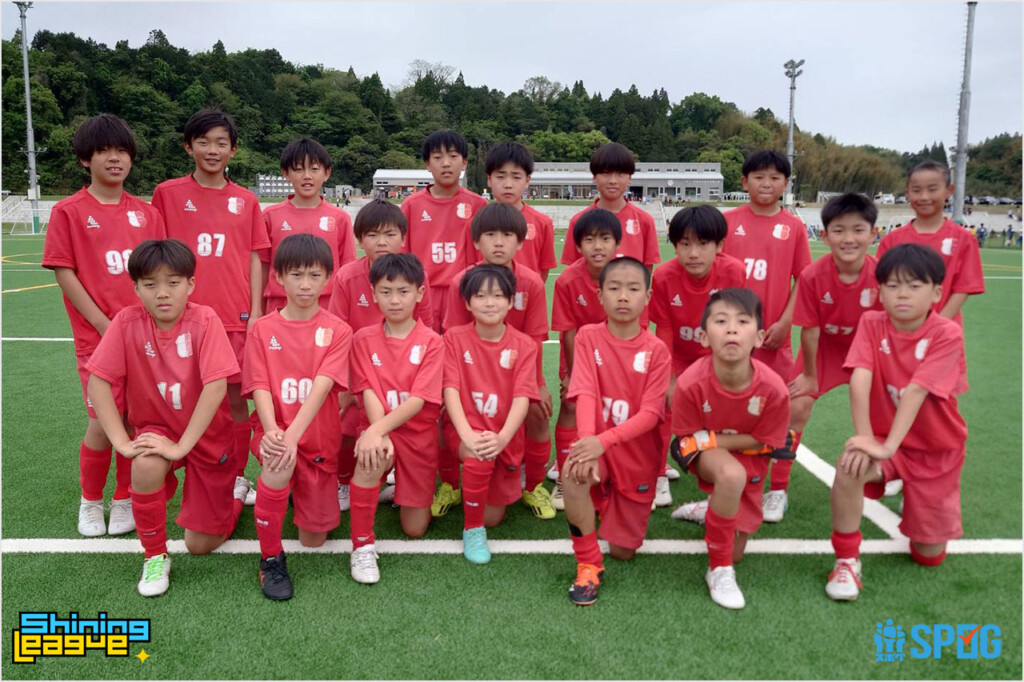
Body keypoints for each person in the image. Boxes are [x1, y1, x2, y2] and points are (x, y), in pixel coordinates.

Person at [86, 239, 247, 596]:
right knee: (143, 464)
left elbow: (216, 387)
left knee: (200, 545)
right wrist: (122, 443)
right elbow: (98, 384)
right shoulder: (127, 322)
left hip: (207, 436)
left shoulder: (205, 320)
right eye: (150, 284)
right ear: (136, 288)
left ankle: (236, 496)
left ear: (191, 284)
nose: (162, 293)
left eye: (173, 283)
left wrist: (181, 447)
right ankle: (155, 556)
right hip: (158, 429)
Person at [42, 113, 166, 538]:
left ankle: (125, 497)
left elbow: (160, 274)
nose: (115, 159)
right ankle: (91, 500)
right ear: (85, 159)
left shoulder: (147, 214)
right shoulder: (68, 211)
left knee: (136, 419)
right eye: (104, 151)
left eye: (122, 151)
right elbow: (64, 271)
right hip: (96, 340)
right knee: (101, 420)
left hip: (145, 337)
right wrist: (102, 322)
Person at [826, 244, 968, 601]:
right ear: (880, 292)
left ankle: (919, 497)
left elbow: (917, 390)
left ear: (936, 293)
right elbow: (860, 377)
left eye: (914, 286)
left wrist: (888, 446)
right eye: (892, 285)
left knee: (928, 556)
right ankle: (846, 560)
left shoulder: (947, 333)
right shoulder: (872, 323)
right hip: (885, 439)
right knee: (849, 466)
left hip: (935, 449)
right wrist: (866, 440)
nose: (902, 294)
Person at [152, 109, 270, 497]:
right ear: (189, 147)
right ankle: (178, 472)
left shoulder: (246, 200)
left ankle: (235, 476)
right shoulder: (167, 194)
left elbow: (255, 257)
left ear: (233, 150)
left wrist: (255, 312)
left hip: (234, 319)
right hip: (181, 319)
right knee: (179, 400)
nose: (212, 150)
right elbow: (156, 254)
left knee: (235, 404)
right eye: (203, 142)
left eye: (221, 143)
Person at [243, 234, 352, 600]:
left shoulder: (339, 330)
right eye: (296, 275)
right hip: (276, 431)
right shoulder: (262, 329)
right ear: (278, 277)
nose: (305, 284)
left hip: (318, 438)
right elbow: (259, 384)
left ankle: (294, 492)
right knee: (279, 460)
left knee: (314, 539)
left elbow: (322, 387)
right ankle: (270, 558)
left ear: (328, 278)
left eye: (314, 275)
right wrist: (273, 431)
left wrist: (293, 436)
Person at [671, 288, 791, 609]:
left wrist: (713, 440)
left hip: (749, 454)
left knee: (738, 549)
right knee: (731, 475)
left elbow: (766, 441)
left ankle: (711, 509)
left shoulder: (774, 389)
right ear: (704, 336)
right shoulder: (690, 383)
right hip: (709, 458)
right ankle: (719, 569)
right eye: (721, 321)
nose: (732, 329)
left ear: (760, 337)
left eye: (743, 321)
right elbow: (687, 441)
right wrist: (709, 445)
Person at [562, 257, 670, 606]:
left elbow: (651, 414)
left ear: (647, 296)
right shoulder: (588, 337)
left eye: (633, 288)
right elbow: (585, 392)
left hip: (637, 457)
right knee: (572, 472)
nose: (623, 296)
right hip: (597, 447)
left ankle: (610, 498)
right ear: (600, 295)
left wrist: (602, 441)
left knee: (624, 550)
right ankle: (588, 563)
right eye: (614, 288)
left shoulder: (657, 350)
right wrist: (586, 444)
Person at [778, 194, 884, 519]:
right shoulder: (812, 275)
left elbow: (890, 327)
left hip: (869, 352)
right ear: (824, 236)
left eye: (858, 230)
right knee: (796, 405)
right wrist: (810, 376)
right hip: (825, 350)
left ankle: (903, 476)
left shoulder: (883, 274)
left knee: (892, 409)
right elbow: (809, 331)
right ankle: (778, 488)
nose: (848, 238)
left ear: (873, 234)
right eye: (839, 230)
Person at [443, 204, 552, 520]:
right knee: (441, 411)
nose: (499, 242)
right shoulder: (462, 282)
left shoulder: (531, 282)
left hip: (516, 370)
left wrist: (539, 384)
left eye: (507, 235)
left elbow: (534, 338)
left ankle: (533, 484)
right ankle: (449, 482)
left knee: (538, 412)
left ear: (520, 242)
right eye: (490, 234)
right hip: (471, 372)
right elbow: (453, 339)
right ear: (477, 241)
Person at [722, 150, 811, 521]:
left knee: (783, 411)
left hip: (774, 337)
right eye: (758, 176)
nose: (766, 183)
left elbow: (802, 280)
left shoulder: (794, 227)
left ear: (786, 184)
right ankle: (731, 480)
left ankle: (779, 488)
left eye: (775, 177)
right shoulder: (727, 222)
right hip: (731, 338)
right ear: (744, 182)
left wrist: (786, 322)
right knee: (730, 410)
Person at [328, 200, 433, 511]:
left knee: (418, 421)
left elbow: (426, 332)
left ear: (403, 238)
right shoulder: (347, 277)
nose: (381, 242)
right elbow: (338, 335)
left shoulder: (415, 275)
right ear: (360, 240)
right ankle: (343, 481)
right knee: (345, 423)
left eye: (389, 234)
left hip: (404, 376)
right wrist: (347, 386)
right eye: (372, 235)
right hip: (360, 376)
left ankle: (401, 475)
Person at [347, 254, 444, 583]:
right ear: (373, 294)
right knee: (371, 457)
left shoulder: (432, 342)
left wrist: (378, 430)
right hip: (379, 427)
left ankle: (399, 486)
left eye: (403, 291)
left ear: (419, 293)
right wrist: (377, 433)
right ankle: (362, 546)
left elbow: (417, 400)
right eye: (386, 292)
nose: (395, 300)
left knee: (414, 529)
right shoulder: (363, 338)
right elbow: (369, 390)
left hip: (418, 436)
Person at [649, 205, 745, 522]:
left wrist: (724, 371)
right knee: (663, 408)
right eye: (685, 244)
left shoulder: (733, 271)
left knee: (722, 415)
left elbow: (734, 325)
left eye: (703, 244)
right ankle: (657, 473)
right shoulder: (663, 275)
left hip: (715, 355)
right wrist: (669, 378)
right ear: (674, 245)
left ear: (719, 245)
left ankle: (719, 484)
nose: (693, 253)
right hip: (677, 354)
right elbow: (664, 329)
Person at [442, 265, 540, 563]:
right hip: (465, 432)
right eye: (481, 296)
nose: (489, 303)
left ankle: (483, 491)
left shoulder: (524, 345)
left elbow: (523, 398)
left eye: (498, 296)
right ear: (467, 302)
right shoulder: (454, 338)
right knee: (478, 455)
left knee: (494, 516)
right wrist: (467, 435)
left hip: (503, 435)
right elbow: (450, 390)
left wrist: (502, 438)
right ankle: (473, 530)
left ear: (510, 302)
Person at [548, 210, 634, 510]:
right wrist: (574, 374)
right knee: (571, 405)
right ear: (578, 245)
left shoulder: (628, 275)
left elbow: (635, 325)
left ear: (617, 243)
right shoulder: (567, 280)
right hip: (580, 356)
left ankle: (620, 478)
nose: (597, 246)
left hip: (618, 356)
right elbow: (568, 331)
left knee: (619, 410)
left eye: (605, 239)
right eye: (589, 240)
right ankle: (564, 477)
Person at [876, 160, 984, 327]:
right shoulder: (892, 240)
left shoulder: (964, 239)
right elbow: (882, 285)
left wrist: (936, 326)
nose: (924, 197)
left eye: (932, 189)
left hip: (943, 330)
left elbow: (963, 288)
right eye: (916, 190)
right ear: (907, 193)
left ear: (949, 191)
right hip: (898, 330)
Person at [400, 130, 488, 331]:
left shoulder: (478, 205)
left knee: (460, 348)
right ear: (427, 164)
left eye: (453, 156)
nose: (446, 163)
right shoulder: (411, 205)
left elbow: (483, 256)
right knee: (422, 347)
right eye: (438, 157)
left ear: (464, 162)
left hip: (463, 291)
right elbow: (402, 255)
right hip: (422, 292)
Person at [260, 137, 356, 314]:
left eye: (314, 169)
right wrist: (257, 312)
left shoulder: (339, 218)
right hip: (279, 307)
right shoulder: (270, 216)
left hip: (327, 307)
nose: (307, 176)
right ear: (285, 173)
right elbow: (262, 268)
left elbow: (347, 268)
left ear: (327, 173)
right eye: (298, 169)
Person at [559, 143, 660, 268]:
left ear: (629, 178)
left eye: (620, 174)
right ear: (594, 177)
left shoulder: (644, 221)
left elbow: (646, 270)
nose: (613, 181)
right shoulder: (578, 221)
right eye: (606, 173)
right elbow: (572, 270)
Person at [484, 142, 557, 282]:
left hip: (527, 294)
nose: (508, 185)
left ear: (527, 180)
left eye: (516, 177)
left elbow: (543, 270)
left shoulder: (542, 223)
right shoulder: (478, 222)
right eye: (500, 177)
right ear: (489, 179)